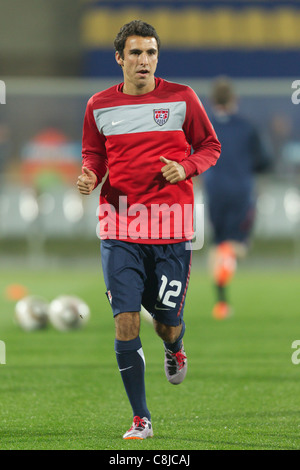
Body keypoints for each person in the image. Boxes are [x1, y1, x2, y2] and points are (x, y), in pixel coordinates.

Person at [77, 20, 221, 439]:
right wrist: (89, 174)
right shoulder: (98, 105)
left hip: (172, 229)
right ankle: (142, 418)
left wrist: (187, 166)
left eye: (152, 53)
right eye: (136, 53)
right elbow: (94, 153)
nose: (145, 61)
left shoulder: (182, 98)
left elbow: (210, 146)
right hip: (119, 226)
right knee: (125, 321)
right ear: (119, 58)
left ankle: (175, 346)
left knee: (165, 322)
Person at [202, 77, 272, 320]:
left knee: (217, 243)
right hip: (241, 193)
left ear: (212, 101)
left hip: (214, 192)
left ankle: (221, 303)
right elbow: (265, 161)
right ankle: (227, 256)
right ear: (234, 99)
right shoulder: (247, 127)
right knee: (239, 246)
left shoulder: (204, 127)